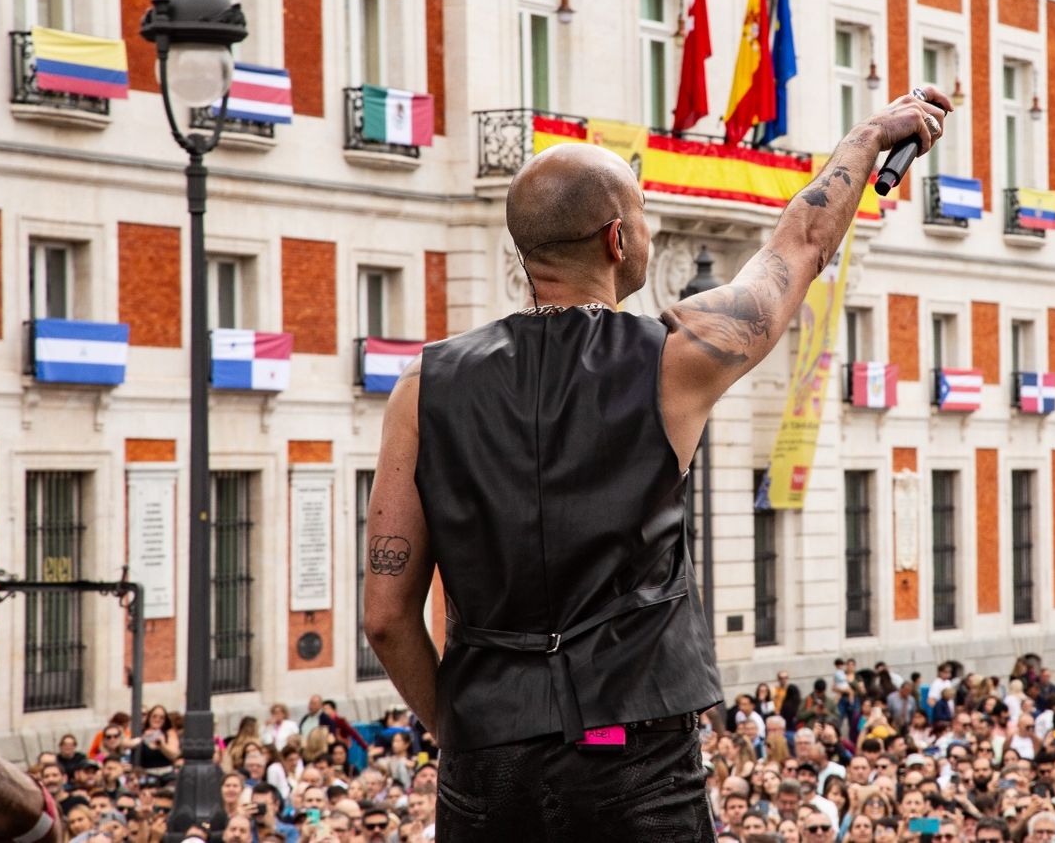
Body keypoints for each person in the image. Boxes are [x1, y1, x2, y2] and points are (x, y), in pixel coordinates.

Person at [362, 85, 951, 839]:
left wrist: (463, 724)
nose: (650, 229)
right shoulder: (674, 361)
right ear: (617, 240)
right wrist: (867, 138)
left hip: (487, 760)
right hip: (634, 761)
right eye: (644, 215)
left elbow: (385, 616)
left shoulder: (422, 387)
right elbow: (799, 246)